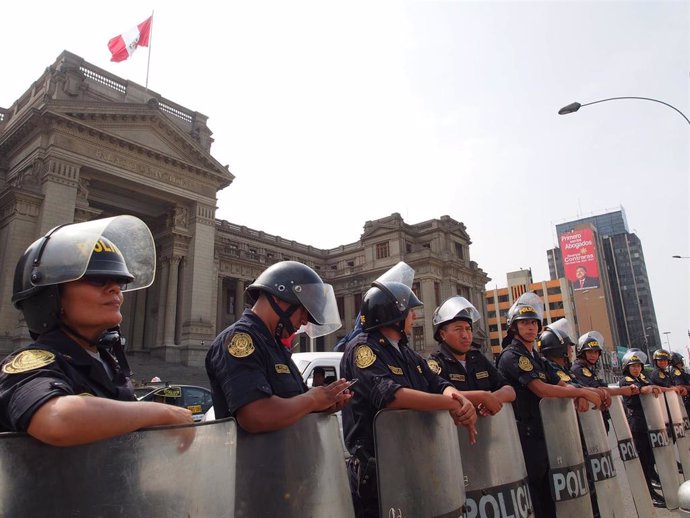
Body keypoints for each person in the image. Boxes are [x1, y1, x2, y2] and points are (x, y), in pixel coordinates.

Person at [0, 216, 194, 446]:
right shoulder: (30, 365)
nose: (115, 289)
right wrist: (162, 413)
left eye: (119, 282)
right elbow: (57, 419)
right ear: (50, 295)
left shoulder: (108, 364)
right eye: (97, 279)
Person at [341, 270, 477, 518]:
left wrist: (457, 396)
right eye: (409, 311)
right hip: (378, 471)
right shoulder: (363, 348)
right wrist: (451, 403)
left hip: (412, 461)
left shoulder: (406, 353)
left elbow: (437, 381)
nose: (413, 316)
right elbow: (390, 396)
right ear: (393, 315)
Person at [205, 260, 351, 433]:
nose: (305, 321)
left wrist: (325, 403)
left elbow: (293, 403)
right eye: (303, 311)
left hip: (285, 456)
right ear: (278, 297)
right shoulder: (239, 339)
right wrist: (312, 400)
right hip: (253, 458)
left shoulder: (275, 345)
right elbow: (255, 416)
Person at [496, 293, 602, 518]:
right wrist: (582, 392)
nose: (531, 327)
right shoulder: (512, 355)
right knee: (536, 497)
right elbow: (541, 389)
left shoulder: (537, 357)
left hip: (545, 432)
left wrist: (578, 393)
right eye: (524, 323)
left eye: (534, 322)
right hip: (526, 435)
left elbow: (560, 381)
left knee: (550, 493)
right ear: (514, 327)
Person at [427, 295, 515, 415]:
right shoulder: (436, 362)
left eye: (468, 329)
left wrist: (493, 398)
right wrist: (482, 397)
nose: (465, 335)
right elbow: (438, 396)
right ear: (442, 334)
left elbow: (509, 390)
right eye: (458, 329)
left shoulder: (477, 358)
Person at [619, 350, 666, 507]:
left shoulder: (643, 378)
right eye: (633, 366)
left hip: (649, 423)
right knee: (643, 462)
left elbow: (651, 387)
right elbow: (640, 390)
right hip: (637, 425)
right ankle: (648, 495)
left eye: (638, 366)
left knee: (650, 459)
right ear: (627, 368)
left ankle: (652, 486)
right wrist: (647, 388)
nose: (636, 369)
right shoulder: (625, 381)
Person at [571, 331, 640, 432]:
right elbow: (596, 389)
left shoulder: (589, 369)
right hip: (588, 421)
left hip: (597, 418)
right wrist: (623, 391)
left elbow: (602, 387)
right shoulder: (579, 369)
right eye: (589, 352)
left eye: (596, 352)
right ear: (581, 352)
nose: (593, 355)